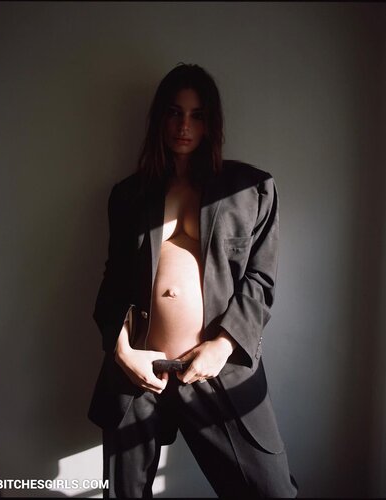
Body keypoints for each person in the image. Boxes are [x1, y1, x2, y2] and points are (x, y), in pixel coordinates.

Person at [88, 63, 298, 498]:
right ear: (159, 118)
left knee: (271, 490)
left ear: (211, 123)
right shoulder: (128, 195)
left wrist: (222, 347)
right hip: (139, 373)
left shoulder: (251, 189)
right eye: (174, 112)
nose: (184, 126)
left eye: (197, 115)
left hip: (215, 369)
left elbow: (260, 281)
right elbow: (113, 283)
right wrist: (122, 351)